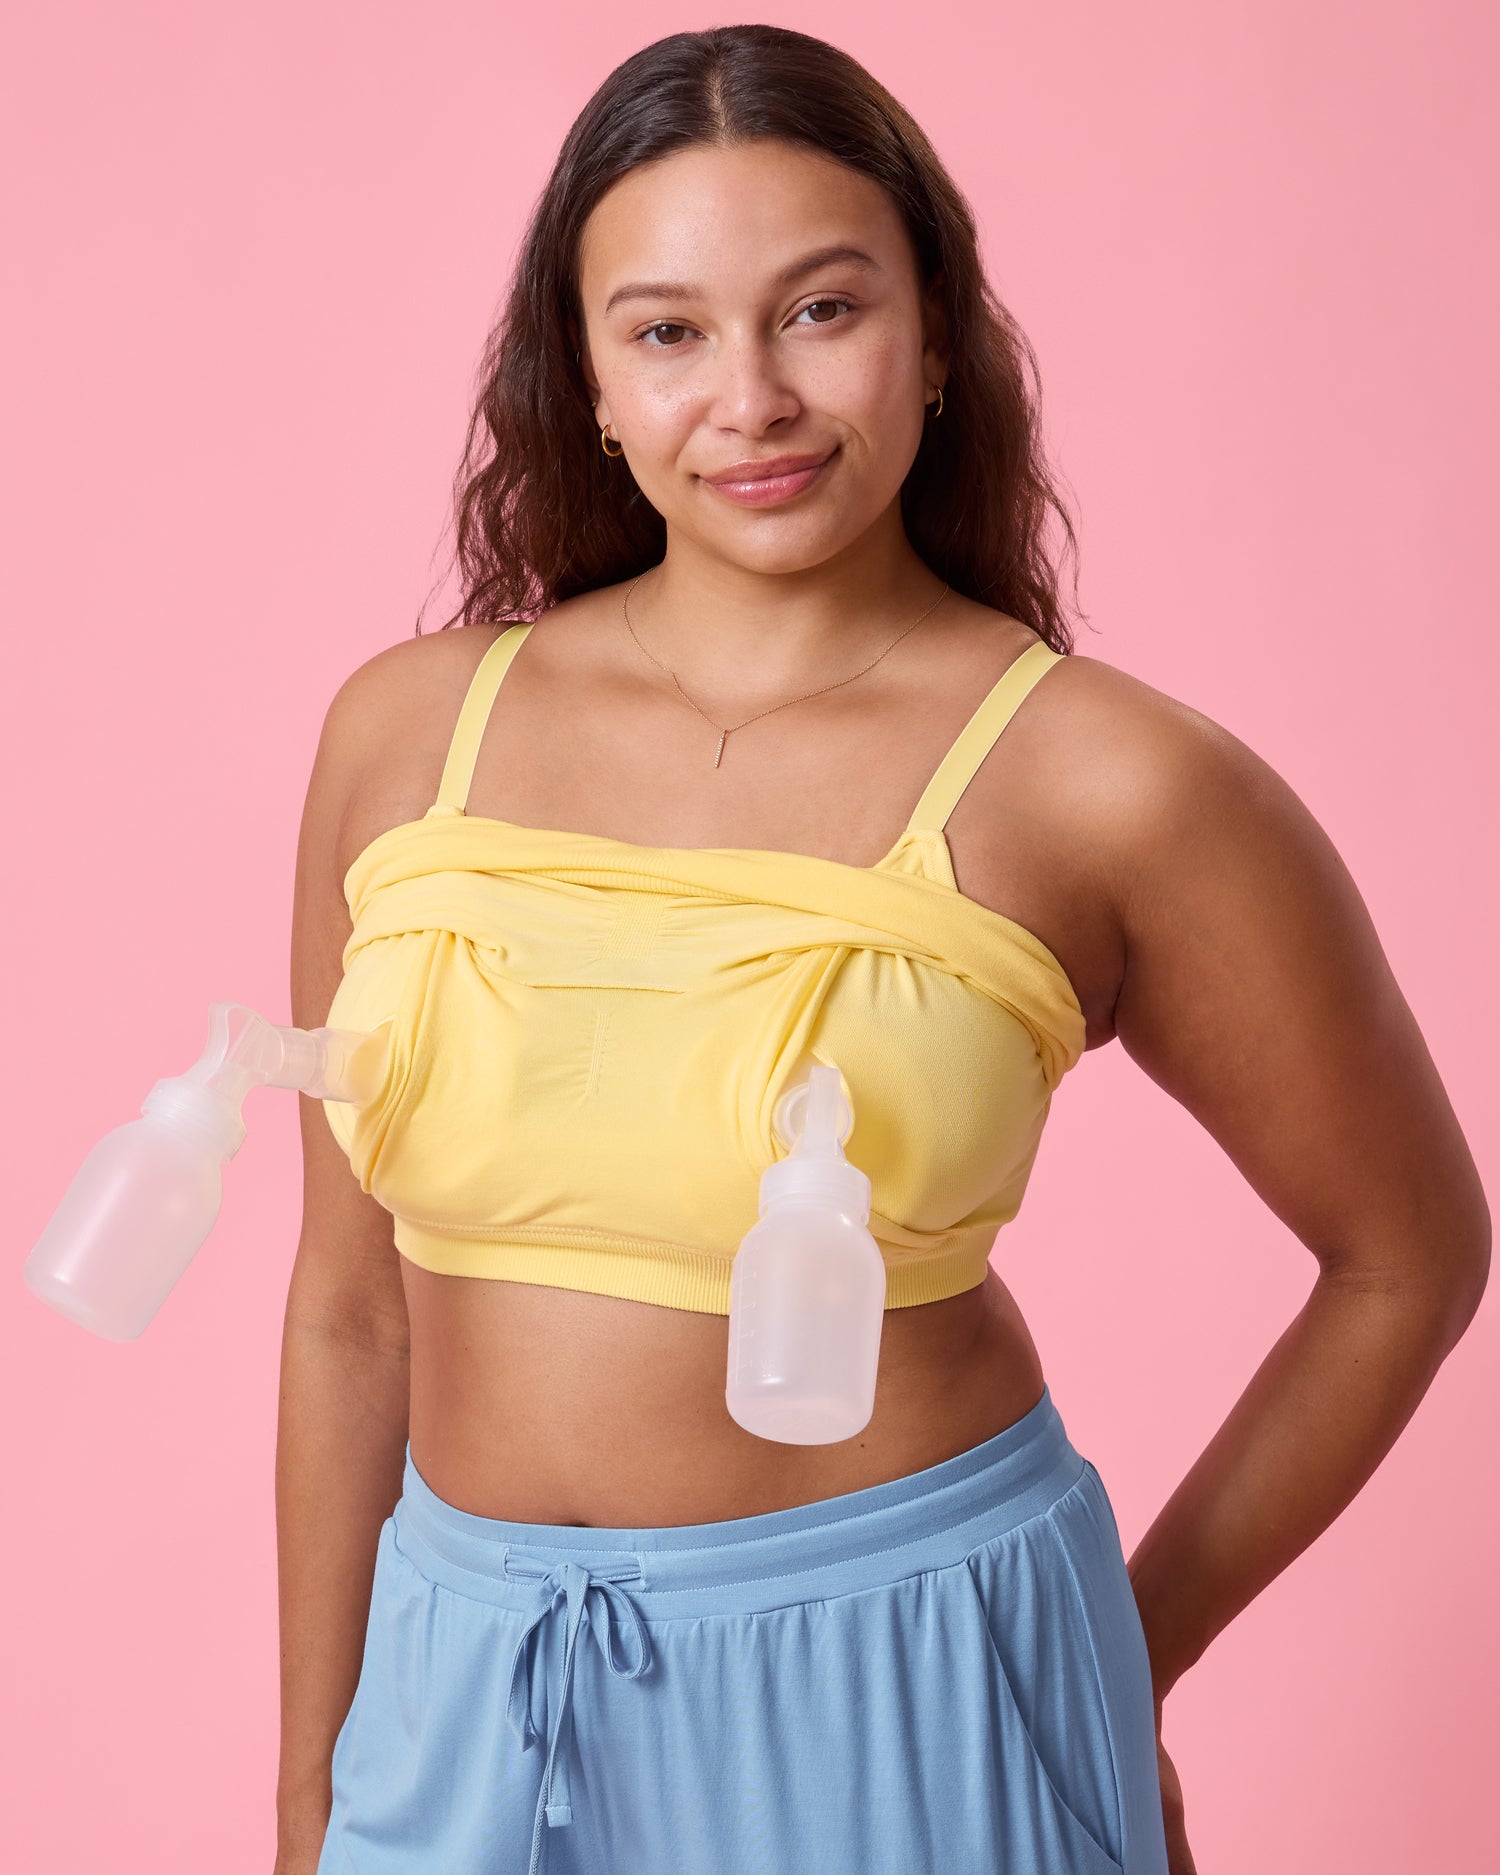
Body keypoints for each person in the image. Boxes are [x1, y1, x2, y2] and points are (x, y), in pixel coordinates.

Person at [273, 25, 1489, 1875]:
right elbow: (353, 1309)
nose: (748, 397)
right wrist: (311, 1790)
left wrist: (1107, 1659)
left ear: (935, 339)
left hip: (910, 1676)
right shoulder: (403, 731)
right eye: (667, 330)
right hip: (457, 1683)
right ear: (587, 378)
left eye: (820, 310)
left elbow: (1407, 1253)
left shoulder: (1109, 779)